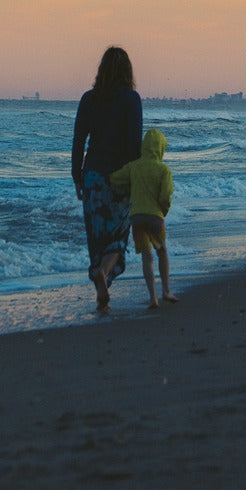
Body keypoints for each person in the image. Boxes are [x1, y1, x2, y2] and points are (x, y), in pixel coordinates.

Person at [71, 46, 142, 309]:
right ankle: (104, 274)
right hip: (119, 177)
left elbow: (79, 140)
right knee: (118, 235)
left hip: (92, 177)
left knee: (96, 238)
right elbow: (135, 143)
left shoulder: (89, 99)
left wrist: (76, 175)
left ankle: (100, 280)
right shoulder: (131, 99)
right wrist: (135, 179)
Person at [111, 127, 178, 310]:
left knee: (146, 257)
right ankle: (166, 291)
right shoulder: (163, 169)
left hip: (137, 217)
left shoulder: (134, 166)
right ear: (160, 148)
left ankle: (152, 298)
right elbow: (165, 196)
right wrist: (163, 211)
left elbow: (115, 178)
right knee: (162, 251)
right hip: (155, 217)